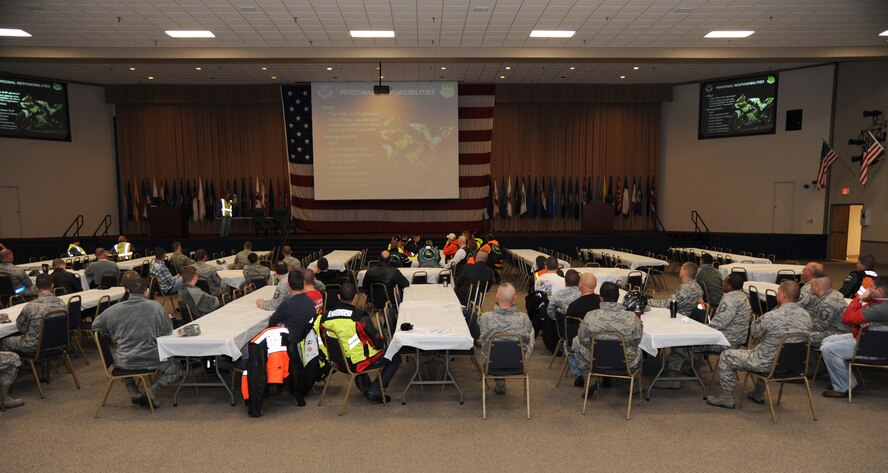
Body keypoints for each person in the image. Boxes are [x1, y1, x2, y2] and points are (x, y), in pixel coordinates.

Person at [708, 280, 812, 409]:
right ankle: (758, 393)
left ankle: (726, 398)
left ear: (783, 295)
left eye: (778, 292)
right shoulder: (806, 316)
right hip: (793, 365)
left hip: (766, 363)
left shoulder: (772, 316)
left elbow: (755, 332)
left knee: (726, 356)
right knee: (767, 349)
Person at [92, 276, 182, 406]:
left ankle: (134, 391)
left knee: (123, 358)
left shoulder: (113, 310)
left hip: (124, 360)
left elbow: (96, 326)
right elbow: (168, 331)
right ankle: (152, 390)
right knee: (176, 370)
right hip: (151, 359)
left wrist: (114, 334)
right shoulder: (155, 307)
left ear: (128, 291)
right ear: (146, 291)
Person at [659, 273, 753, 389]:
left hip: (725, 341)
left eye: (724, 282)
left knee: (682, 342)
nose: (721, 285)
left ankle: (673, 378)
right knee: (692, 340)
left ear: (729, 286)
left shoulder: (730, 299)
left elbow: (719, 323)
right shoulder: (743, 297)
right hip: (734, 338)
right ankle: (693, 369)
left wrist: (699, 331)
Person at [320, 282, 401, 403]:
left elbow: (323, 339)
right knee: (394, 357)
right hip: (356, 362)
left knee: (355, 352)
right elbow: (376, 343)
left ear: (338, 297)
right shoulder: (360, 317)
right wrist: (383, 342)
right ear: (356, 297)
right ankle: (375, 390)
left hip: (337, 360)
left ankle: (366, 387)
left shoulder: (325, 317)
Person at [821, 276, 888, 398]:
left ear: (880, 292)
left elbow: (847, 319)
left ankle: (843, 387)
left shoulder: (878, 309)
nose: (868, 289)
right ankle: (848, 382)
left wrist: (859, 298)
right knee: (827, 341)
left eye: (871, 288)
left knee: (828, 350)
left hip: (872, 348)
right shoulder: (879, 304)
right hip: (873, 340)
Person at [573, 282, 643, 395]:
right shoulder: (631, 317)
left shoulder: (590, 316)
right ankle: (634, 385)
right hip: (626, 362)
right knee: (638, 349)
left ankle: (589, 379)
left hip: (596, 359)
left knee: (576, 341)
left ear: (601, 298)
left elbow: (583, 339)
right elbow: (637, 339)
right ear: (618, 297)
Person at [479, 283, 535, 394]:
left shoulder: (485, 317)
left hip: (492, 363)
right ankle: (501, 381)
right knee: (530, 332)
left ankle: (499, 383)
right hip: (518, 362)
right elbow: (529, 342)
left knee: (489, 343)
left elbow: (481, 340)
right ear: (514, 298)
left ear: (496, 296)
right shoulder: (524, 318)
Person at [0, 274, 66, 352]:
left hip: (33, 346)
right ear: (52, 286)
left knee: (3, 342)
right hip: (58, 342)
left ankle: (15, 362)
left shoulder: (30, 307)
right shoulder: (62, 304)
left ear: (37, 287)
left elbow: (21, 328)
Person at [564, 273, 600, 386]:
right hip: (602, 344)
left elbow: (569, 329)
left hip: (583, 345)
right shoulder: (602, 303)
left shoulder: (574, 306)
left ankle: (579, 374)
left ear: (580, 286)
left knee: (566, 344)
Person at [806, 276, 851, 347]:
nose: (810, 288)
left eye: (812, 286)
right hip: (830, 329)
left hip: (838, 333)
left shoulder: (828, 303)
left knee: (801, 337)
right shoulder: (831, 293)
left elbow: (818, 327)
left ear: (817, 288)